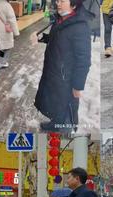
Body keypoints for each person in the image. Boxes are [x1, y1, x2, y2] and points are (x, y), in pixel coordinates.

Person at [35, 0, 92, 133]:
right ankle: (55, 123)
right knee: (56, 105)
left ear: (74, 4)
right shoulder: (60, 20)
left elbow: (84, 60)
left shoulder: (80, 26)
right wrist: (41, 37)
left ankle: (63, 135)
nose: (58, 4)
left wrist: (77, 86)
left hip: (67, 80)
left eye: (62, 1)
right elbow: (56, 38)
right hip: (55, 74)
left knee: (66, 111)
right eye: (57, 0)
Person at [0, 0, 19, 68]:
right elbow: (12, 20)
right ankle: (2, 62)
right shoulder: (6, 5)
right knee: (7, 48)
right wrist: (16, 32)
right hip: (5, 31)